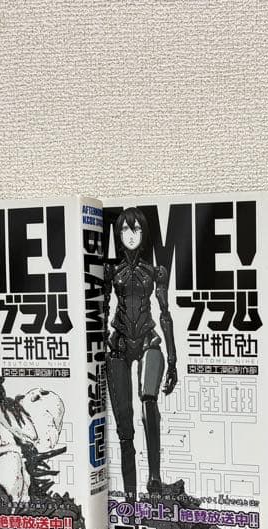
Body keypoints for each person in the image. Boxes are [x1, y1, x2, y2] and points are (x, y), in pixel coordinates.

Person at [103, 208, 179, 497]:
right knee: (125, 427)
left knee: (149, 402)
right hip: (119, 344)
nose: (130, 235)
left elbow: (165, 315)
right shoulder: (112, 272)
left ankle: (154, 479)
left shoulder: (156, 272)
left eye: (135, 229)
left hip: (148, 339)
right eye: (125, 229)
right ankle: (130, 496)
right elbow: (101, 311)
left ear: (144, 233)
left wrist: (172, 360)